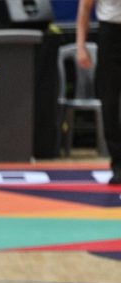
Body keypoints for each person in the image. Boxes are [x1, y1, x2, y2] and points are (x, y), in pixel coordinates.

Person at [76, 0, 121, 185]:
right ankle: (118, 164)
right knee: (110, 102)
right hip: (110, 33)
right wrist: (80, 46)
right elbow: (85, 7)